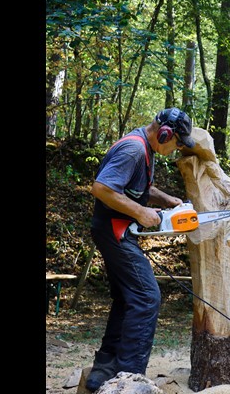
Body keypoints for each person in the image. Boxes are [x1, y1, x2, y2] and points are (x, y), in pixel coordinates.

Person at [84, 107, 196, 392]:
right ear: (165, 133)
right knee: (146, 297)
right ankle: (129, 377)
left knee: (127, 296)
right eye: (177, 143)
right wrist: (141, 212)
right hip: (114, 230)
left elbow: (137, 186)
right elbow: (102, 188)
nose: (177, 148)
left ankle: (105, 367)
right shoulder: (133, 150)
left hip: (114, 229)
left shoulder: (143, 148)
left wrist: (167, 199)